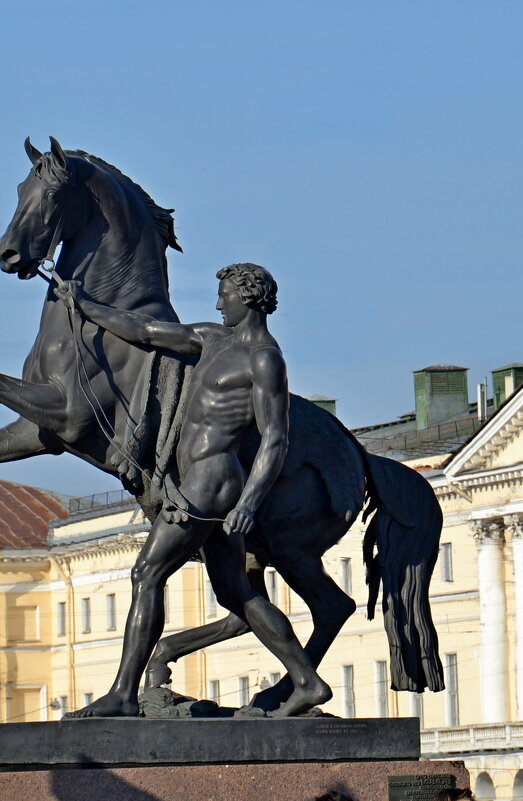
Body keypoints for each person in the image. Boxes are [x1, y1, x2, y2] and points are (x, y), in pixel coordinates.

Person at [54, 263, 331, 718]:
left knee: (147, 574)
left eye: (225, 295)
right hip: (197, 480)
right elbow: (144, 330)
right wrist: (83, 304)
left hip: (213, 483)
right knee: (234, 592)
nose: (218, 303)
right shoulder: (212, 340)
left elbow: (275, 438)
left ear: (249, 297)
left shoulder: (264, 357)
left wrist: (248, 503)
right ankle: (307, 681)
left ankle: (123, 694)